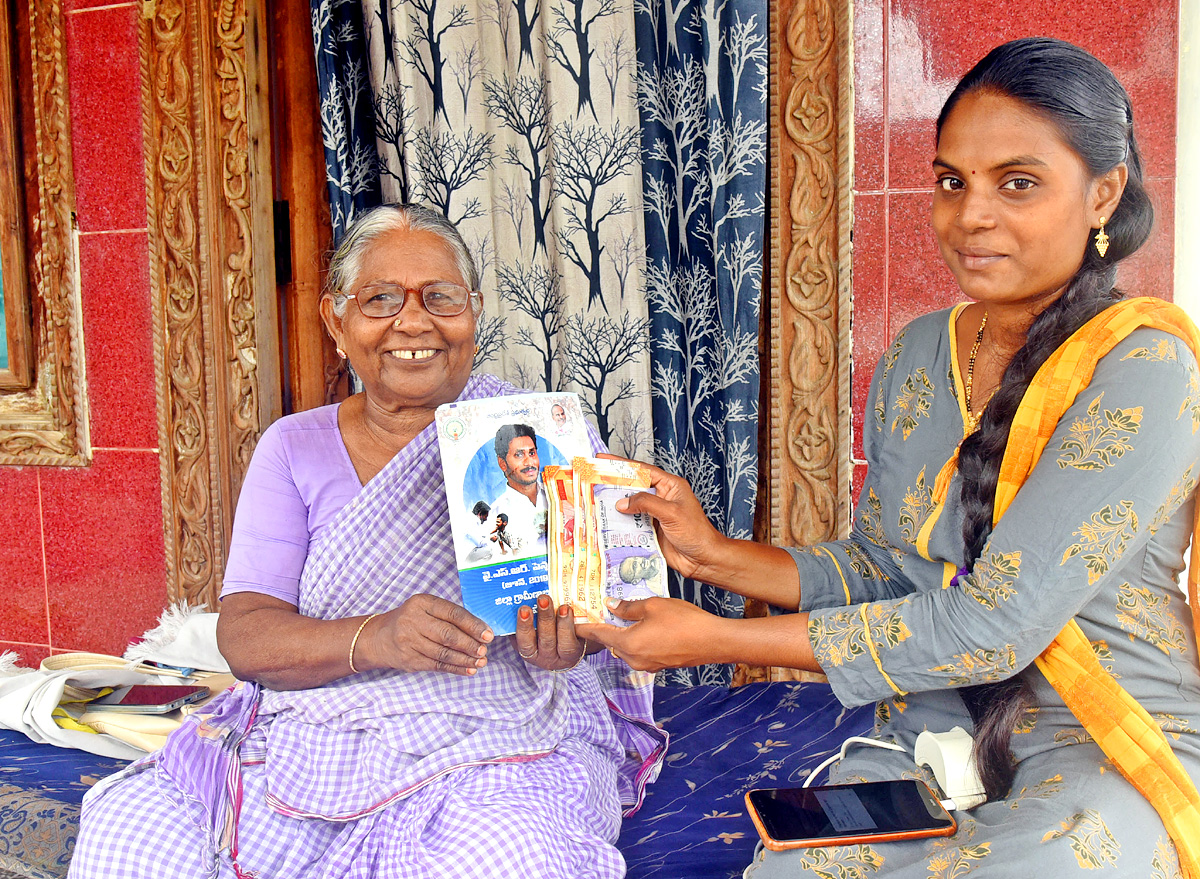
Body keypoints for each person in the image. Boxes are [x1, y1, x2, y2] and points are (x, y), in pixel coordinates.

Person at [579, 38, 1200, 878]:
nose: (970, 215)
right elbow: (888, 567)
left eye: (1017, 183)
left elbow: (996, 625)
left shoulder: (1146, 369)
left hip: (1103, 736)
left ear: (1104, 193)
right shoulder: (918, 352)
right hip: (936, 722)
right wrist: (715, 554)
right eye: (953, 181)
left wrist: (717, 638)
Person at [69, 203, 665, 879]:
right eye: (380, 298)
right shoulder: (292, 449)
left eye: (439, 297)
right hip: (325, 725)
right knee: (134, 828)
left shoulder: (538, 434)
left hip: (505, 726)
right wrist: (376, 637)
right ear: (337, 321)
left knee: (507, 857)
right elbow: (247, 635)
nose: (413, 322)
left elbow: (615, 600)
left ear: (472, 313)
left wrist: (575, 638)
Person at [491, 423, 549, 552]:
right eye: (519, 455)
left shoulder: (558, 496)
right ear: (502, 463)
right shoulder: (495, 516)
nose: (529, 462)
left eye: (532, 453)